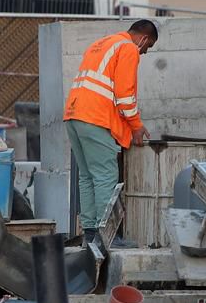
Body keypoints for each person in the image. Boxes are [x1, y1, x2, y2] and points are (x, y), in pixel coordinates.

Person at [64, 19, 157, 244]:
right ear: (143, 38)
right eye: (148, 47)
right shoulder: (128, 48)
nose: (144, 53)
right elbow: (125, 95)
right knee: (106, 176)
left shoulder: (101, 43)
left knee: (87, 177)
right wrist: (136, 126)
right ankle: (108, 237)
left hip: (74, 116)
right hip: (95, 119)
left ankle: (90, 234)